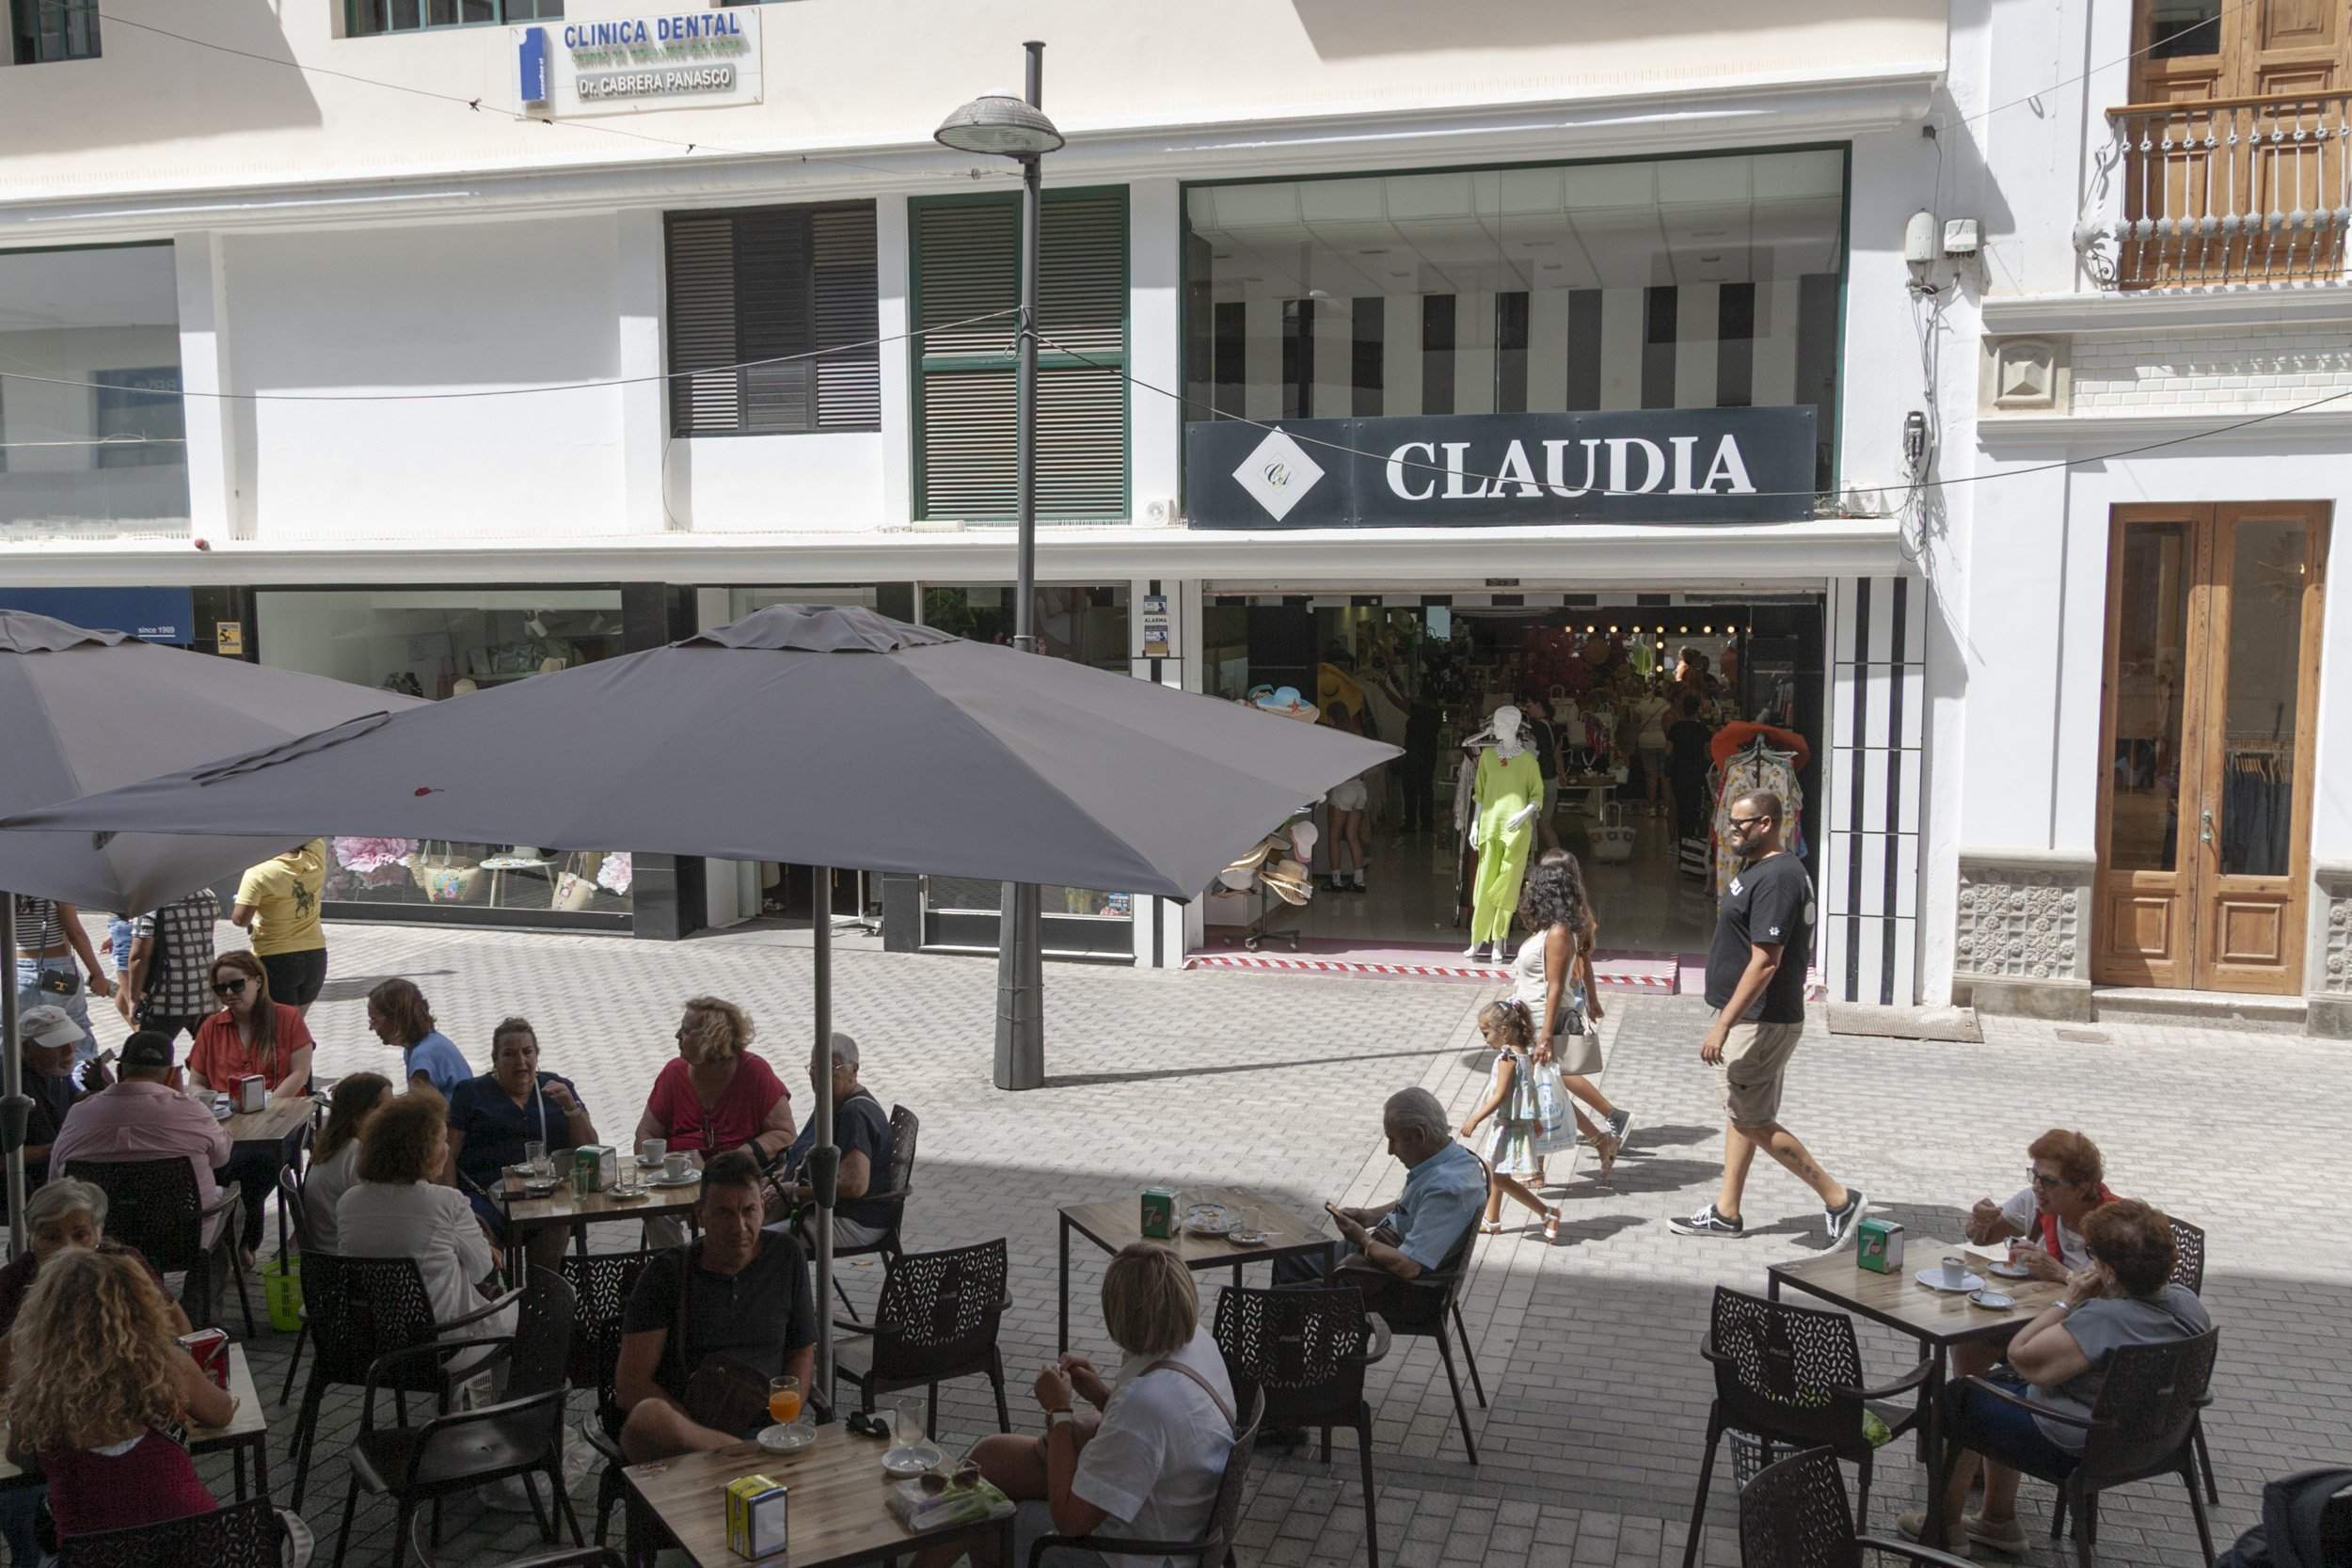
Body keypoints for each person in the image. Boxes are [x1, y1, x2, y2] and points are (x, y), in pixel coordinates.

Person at [1899, 1198, 2213, 1556]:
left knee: (1961, 1397)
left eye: (2092, 1253)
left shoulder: (2105, 1319)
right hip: (2154, 1440)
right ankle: (1997, 1520)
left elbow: (2023, 1355)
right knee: (2000, 1385)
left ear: (2108, 1271)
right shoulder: (2188, 1303)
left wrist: (2070, 1299)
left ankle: (1942, 1528)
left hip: (2083, 1446)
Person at [917, 1243, 1236, 1568]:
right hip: (1169, 1514)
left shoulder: (1145, 1404)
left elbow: (1070, 1520)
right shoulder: (1197, 1343)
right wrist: (1099, 1394)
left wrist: (1059, 1412)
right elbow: (1157, 1431)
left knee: (984, 1509)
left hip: (1139, 1553)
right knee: (989, 1459)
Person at [1671, 791, 1867, 1243]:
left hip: (1761, 1020)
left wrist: (1723, 1024)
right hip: (1754, 1017)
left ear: (1766, 824)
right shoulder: (1760, 869)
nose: (1731, 831)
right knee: (1743, 1112)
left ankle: (1839, 1198)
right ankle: (1727, 1211)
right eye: (1730, 822)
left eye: (1740, 824)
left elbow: (1765, 961)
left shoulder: (1779, 878)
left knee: (1753, 1120)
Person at [2, 1248, 233, 1541]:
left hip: (92, 1554)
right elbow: (221, 1412)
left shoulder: (37, 1394)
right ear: (138, 1307)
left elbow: (20, 1457)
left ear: (46, 1321)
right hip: (191, 1542)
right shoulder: (168, 1366)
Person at [614, 1150, 818, 1462]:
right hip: (687, 1433)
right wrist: (693, 1430)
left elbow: (802, 1351)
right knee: (650, 1418)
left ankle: (746, 1459)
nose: (740, 1226)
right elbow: (630, 1385)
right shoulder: (667, 1273)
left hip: (765, 1426)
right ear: (700, 1214)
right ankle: (744, 1458)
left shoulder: (786, 1255)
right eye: (724, 1213)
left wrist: (787, 1419)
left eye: (749, 1210)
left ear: (763, 1207)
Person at [337, 1090, 515, 1357]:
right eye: (443, 1140)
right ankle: (498, 1397)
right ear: (423, 1151)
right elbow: (482, 1269)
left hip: (374, 1343)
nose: (447, 1149)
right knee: (532, 1312)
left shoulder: (348, 1202)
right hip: (443, 1344)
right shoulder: (446, 1203)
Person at [46, 1030, 239, 1263]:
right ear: (170, 1076)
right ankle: (198, 1293)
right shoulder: (191, 1110)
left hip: (101, 1240)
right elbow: (221, 1157)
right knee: (234, 1203)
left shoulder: (79, 1114)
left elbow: (57, 1177)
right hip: (183, 1238)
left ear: (118, 1071)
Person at [1279, 1087, 1486, 1300]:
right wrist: (1369, 1216)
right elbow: (1419, 1205)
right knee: (1287, 1257)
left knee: (1282, 1297)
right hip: (1382, 1252)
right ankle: (1291, 1331)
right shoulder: (1455, 1159)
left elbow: (1409, 1266)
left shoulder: (1447, 1188)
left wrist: (1363, 1239)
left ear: (1419, 1134)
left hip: (1397, 1286)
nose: (1390, 1150)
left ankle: (1293, 1330)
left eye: (1393, 1140)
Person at [188, 951, 315, 1260]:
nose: (229, 994)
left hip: (277, 1122)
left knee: (257, 1165)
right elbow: (196, 1080)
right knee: (218, 1163)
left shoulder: (286, 1018)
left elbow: (300, 1071)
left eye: (236, 985)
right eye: (221, 989)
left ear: (258, 981)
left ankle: (242, 1239)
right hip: (226, 1124)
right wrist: (207, 1101)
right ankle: (233, 1238)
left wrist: (271, 1100)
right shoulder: (211, 1027)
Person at [445, 1017, 596, 1272]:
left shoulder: (557, 1088)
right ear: (496, 1059)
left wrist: (571, 1109)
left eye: (527, 1052)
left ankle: (541, 1297)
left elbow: (591, 1149)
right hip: (486, 1195)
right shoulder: (470, 1093)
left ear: (537, 1055)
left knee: (557, 1220)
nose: (521, 1061)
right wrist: (449, 1203)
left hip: (545, 1195)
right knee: (476, 1231)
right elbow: (447, 1154)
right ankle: (498, 1296)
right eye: (510, 1054)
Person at [1512, 849, 1629, 1169]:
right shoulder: (1550, 930)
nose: (1527, 889)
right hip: (1531, 1019)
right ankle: (1600, 1140)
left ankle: (1537, 1165)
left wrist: (1546, 1035)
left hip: (1541, 1021)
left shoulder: (1559, 933)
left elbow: (1554, 986)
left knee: (1540, 1090)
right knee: (1544, 1090)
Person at [636, 996, 793, 1164]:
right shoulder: (673, 1073)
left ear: (711, 1040)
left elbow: (784, 1133)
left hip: (737, 1179)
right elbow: (646, 1133)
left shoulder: (754, 1072)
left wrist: (738, 1158)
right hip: (678, 1178)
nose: (677, 1036)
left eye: (686, 1031)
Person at [777, 1032, 897, 1250]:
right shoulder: (830, 1100)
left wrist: (794, 1191)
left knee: (760, 1242)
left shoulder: (855, 1112)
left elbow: (854, 1186)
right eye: (813, 1068)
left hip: (855, 1220)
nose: (818, 1075)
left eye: (832, 1068)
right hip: (826, 1211)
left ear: (854, 1070)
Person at [1456, 1001, 1563, 1241]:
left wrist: (1475, 1118)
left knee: (1499, 1176)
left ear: (1503, 1030)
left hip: (1507, 1126)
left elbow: (1500, 1095)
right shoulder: (1524, 1055)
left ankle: (1547, 1212)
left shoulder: (1508, 1059)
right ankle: (1491, 1220)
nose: (1485, 1040)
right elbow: (1529, 1090)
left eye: (1486, 1033)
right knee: (1496, 1171)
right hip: (1518, 1125)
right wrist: (1534, 1119)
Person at [1964, 1129, 2116, 1283]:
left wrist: (2063, 1274)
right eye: (2035, 1175)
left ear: (2081, 1189)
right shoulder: (2033, 1200)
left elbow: (2124, 1296)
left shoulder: (2120, 1224)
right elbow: (1981, 1239)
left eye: (2049, 1181)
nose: (2037, 1187)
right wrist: (1980, 1222)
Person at [232, 838, 328, 1015]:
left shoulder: (258, 873)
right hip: (315, 955)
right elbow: (313, 833)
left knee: (275, 1029)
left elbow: (240, 920)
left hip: (275, 958)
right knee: (295, 1027)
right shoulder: (315, 857)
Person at [11, 892, 111, 1064]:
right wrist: (98, 975)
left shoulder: (6, 888)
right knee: (75, 1028)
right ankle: (83, 1084)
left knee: (15, 1034)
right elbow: (75, 934)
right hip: (58, 972)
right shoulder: (55, 886)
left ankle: (20, 1084)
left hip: (16, 973)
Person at [117, 886, 221, 1044]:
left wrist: (133, 998)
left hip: (166, 998)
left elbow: (139, 956)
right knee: (211, 1056)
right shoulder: (207, 895)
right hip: (206, 992)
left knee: (150, 1054)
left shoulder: (150, 904)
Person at [304, 1071, 392, 1254]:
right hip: (342, 1256)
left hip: (333, 1248)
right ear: (360, 1114)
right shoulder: (354, 1152)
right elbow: (378, 1211)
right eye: (385, 1109)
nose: (392, 1116)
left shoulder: (337, 1145)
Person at [17, 1005, 93, 1185]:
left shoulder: (53, 1071)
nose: (70, 1051)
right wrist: (58, 1149)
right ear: (27, 1048)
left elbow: (71, 1101)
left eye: (71, 1041)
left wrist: (99, 1091)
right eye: (57, 1044)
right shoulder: (10, 1084)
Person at [368, 977, 471, 1098]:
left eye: (374, 1019)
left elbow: (421, 1110)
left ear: (396, 1019)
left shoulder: (422, 1057)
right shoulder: (431, 1042)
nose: (371, 1027)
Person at [1321, 704, 1372, 894]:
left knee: (1334, 836)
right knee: (1352, 836)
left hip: (1343, 788)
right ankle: (1359, 881)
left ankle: (1336, 880)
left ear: (1332, 718)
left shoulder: (1334, 736)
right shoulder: (1358, 732)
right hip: (1360, 788)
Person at [1665, 694, 1714, 845]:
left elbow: (1668, 751)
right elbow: (1707, 754)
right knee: (1693, 807)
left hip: (1678, 772)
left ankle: (1676, 839)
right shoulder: (1703, 730)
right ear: (1697, 710)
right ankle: (1690, 840)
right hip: (1696, 773)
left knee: (1677, 806)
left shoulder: (1676, 728)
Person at [1520, 693, 1563, 851]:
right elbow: (1557, 753)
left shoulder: (1533, 727)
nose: (1527, 710)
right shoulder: (1554, 726)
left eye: (1529, 706)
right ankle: (1559, 859)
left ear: (1539, 705)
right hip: (1551, 779)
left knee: (1530, 824)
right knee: (1546, 823)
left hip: (1537, 781)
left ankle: (1530, 859)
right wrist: (1562, 774)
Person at [1634, 681, 1673, 816]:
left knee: (1650, 776)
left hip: (1645, 742)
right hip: (1663, 741)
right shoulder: (1667, 706)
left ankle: (1651, 807)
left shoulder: (1643, 705)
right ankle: (1667, 808)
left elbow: (1635, 720)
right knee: (1664, 776)